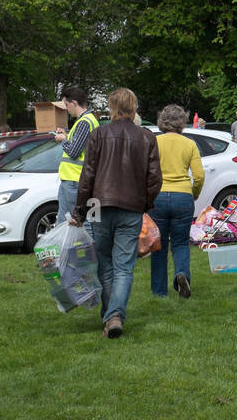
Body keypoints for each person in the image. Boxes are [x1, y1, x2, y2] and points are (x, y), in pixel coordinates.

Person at [72, 88, 161, 339]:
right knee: (124, 267)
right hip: (131, 207)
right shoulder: (146, 137)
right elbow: (154, 179)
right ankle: (114, 315)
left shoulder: (99, 134)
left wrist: (79, 210)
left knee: (105, 264)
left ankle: (112, 315)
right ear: (133, 108)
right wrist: (146, 204)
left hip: (99, 207)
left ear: (112, 108)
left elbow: (87, 176)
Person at [150, 104, 204, 299]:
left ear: (161, 120)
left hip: (158, 196)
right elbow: (198, 176)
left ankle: (159, 290)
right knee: (180, 242)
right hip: (183, 196)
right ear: (182, 122)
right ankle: (182, 274)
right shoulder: (189, 144)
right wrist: (194, 193)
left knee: (159, 245)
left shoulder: (154, 142)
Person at [54, 86, 100, 226]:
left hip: (75, 180)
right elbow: (82, 147)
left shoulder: (84, 122)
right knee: (65, 221)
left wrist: (63, 139)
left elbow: (74, 152)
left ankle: (88, 248)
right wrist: (67, 136)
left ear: (74, 103)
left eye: (67, 105)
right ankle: (67, 247)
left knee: (82, 221)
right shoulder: (87, 120)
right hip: (73, 180)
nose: (66, 109)